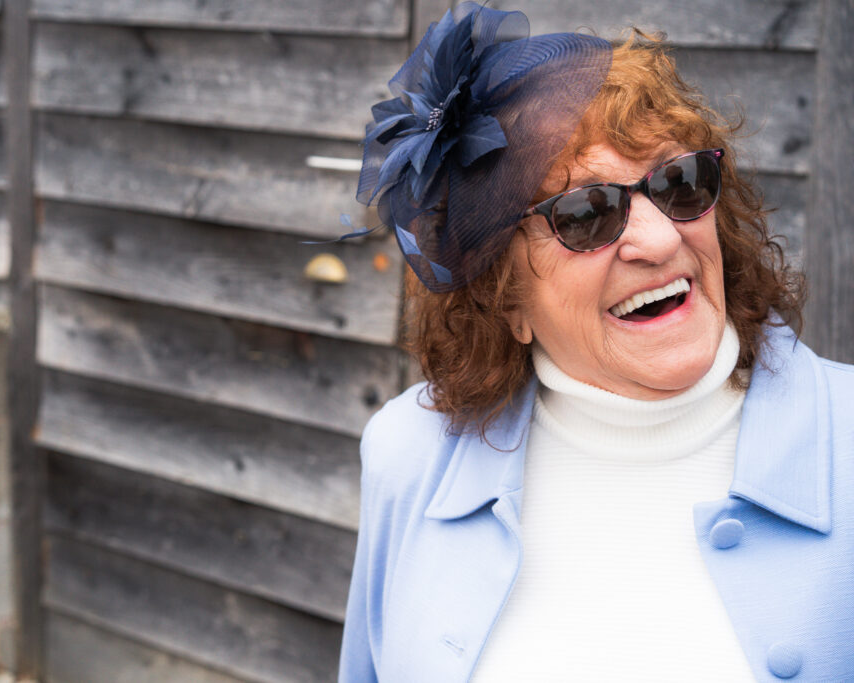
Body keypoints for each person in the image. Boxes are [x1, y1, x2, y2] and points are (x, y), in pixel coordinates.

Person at [338, 3, 854, 681]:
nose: (663, 239)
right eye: (586, 213)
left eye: (679, 182)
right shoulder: (406, 457)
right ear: (505, 294)